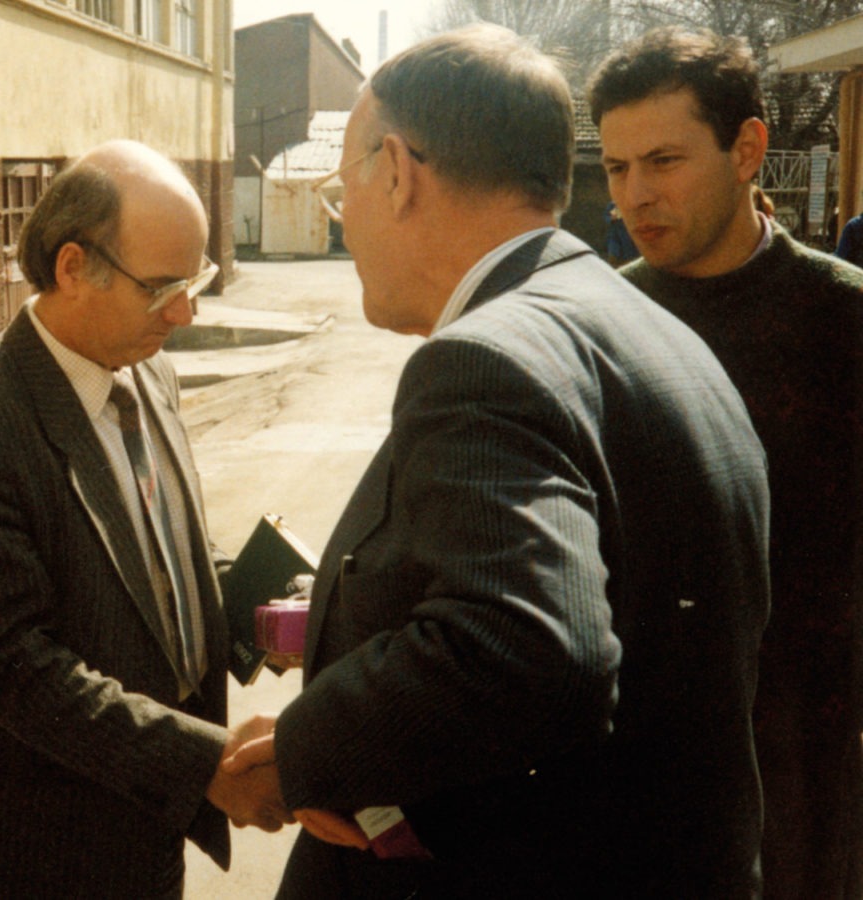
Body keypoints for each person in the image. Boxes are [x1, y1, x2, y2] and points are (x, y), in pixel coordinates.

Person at [223, 25, 770, 896]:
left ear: (396, 172)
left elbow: (525, 650)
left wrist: (306, 752)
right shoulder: (653, 329)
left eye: (341, 194)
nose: (344, 224)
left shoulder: (485, 360)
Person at [0, 140, 288, 898]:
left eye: (197, 277)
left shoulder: (149, 369)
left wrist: (280, 611)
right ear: (74, 267)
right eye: (164, 287)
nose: (187, 312)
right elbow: (16, 666)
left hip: (146, 831)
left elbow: (160, 555)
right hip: (38, 854)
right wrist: (204, 763)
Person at [590, 27, 863, 899]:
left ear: (748, 149)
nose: (636, 194)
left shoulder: (845, 323)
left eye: (664, 160)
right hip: (636, 778)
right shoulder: (594, 325)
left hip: (815, 778)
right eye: (616, 167)